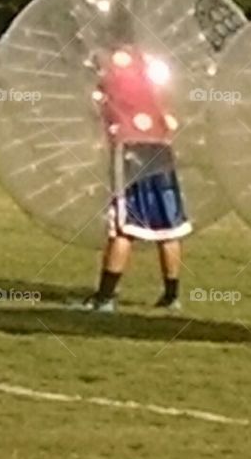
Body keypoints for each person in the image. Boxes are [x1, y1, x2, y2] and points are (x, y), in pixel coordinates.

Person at [77, 44, 191, 313]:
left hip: (130, 146)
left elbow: (96, 108)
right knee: (168, 222)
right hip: (160, 144)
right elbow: (166, 105)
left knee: (123, 225)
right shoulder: (146, 64)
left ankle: (105, 298)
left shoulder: (107, 69)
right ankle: (171, 296)